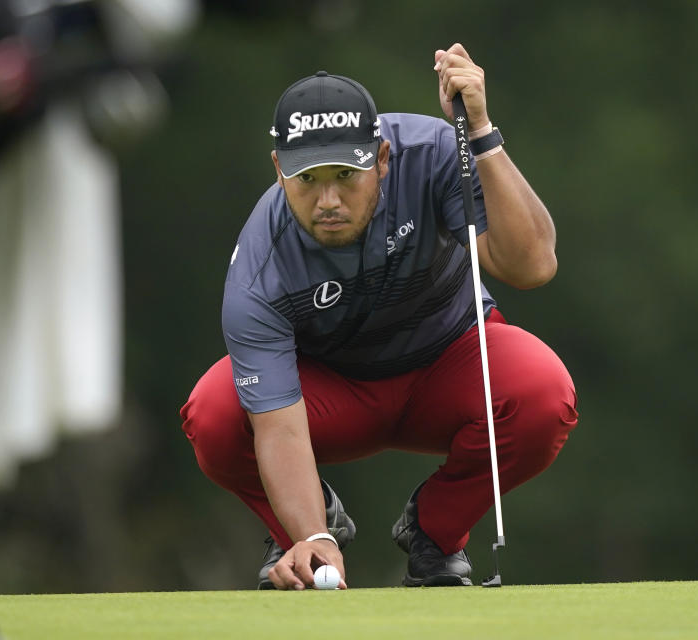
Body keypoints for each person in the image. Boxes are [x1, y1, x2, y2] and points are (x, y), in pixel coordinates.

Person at [180, 43, 579, 590]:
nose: (327, 200)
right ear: (278, 170)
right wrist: (312, 534)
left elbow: (532, 265)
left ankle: (433, 534)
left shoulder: (438, 152)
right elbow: (278, 427)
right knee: (215, 414)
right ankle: (311, 530)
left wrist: (481, 132)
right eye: (307, 178)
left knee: (542, 392)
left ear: (383, 159)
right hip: (330, 394)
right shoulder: (259, 265)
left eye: (346, 174)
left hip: (449, 358)